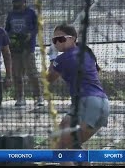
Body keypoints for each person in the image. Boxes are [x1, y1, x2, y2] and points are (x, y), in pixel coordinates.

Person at [47, 24, 109, 166]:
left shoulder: (63, 59)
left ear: (73, 39)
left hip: (87, 103)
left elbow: (48, 79)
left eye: (61, 39)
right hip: (101, 104)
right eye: (54, 40)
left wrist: (52, 58)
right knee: (72, 145)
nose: (57, 43)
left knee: (58, 147)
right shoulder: (85, 52)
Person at [5, 0, 44, 107]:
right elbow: (7, 29)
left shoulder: (30, 13)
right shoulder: (11, 14)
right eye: (13, 1)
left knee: (32, 72)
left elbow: (37, 28)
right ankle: (20, 97)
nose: (14, 3)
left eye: (16, 1)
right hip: (15, 48)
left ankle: (38, 96)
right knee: (17, 73)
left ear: (23, 2)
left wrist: (30, 35)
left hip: (27, 48)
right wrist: (11, 38)